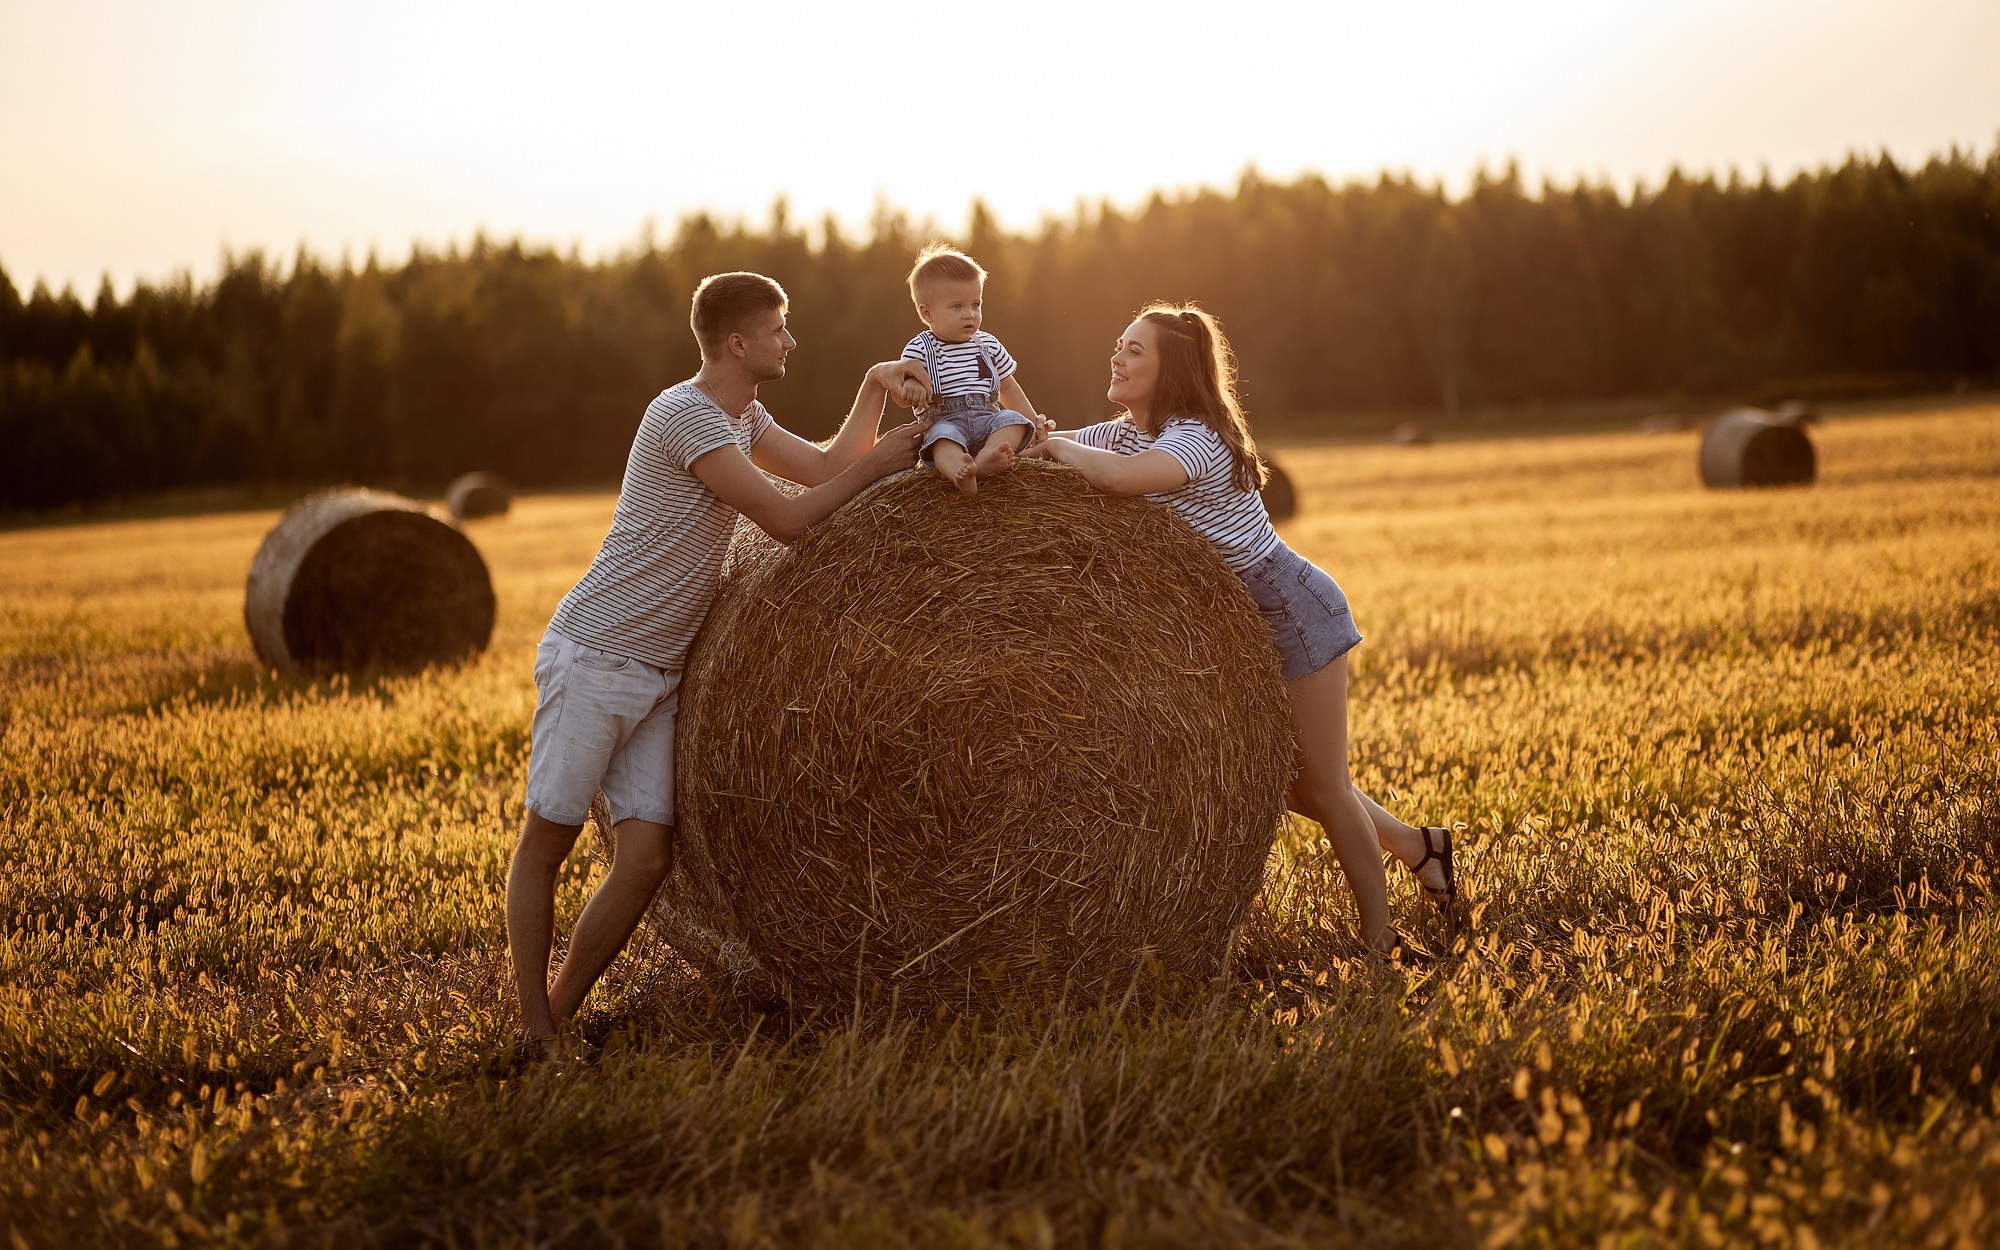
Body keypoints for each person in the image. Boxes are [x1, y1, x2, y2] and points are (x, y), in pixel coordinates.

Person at [506, 272, 931, 1047]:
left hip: (660, 673)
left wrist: (873, 386)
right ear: (739, 342)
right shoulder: (684, 416)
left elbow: (826, 466)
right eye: (780, 328)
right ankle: (534, 1026)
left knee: (644, 862)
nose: (790, 340)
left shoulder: (744, 415)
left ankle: (558, 1009)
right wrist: (884, 464)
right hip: (599, 653)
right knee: (548, 841)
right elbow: (789, 519)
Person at [1026, 303, 1456, 955]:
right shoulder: (1128, 431)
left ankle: (1380, 940)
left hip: (1293, 609)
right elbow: (1055, 448)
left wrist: (1055, 442)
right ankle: (1419, 846)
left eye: (1135, 350)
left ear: (1173, 368)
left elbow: (1112, 480)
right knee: (1286, 784)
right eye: (1119, 344)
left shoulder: (1194, 437)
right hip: (1234, 625)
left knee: (1325, 787)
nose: (1116, 356)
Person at [901, 244, 1041, 495]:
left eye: (976, 305)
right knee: (940, 440)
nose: (970, 314)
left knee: (1013, 421)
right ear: (927, 312)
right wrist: (911, 386)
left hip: (988, 417)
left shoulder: (988, 344)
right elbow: (903, 386)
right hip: (945, 419)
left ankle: (988, 456)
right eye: (957, 307)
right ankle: (959, 472)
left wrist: (1033, 420)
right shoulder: (919, 348)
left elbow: (1008, 385)